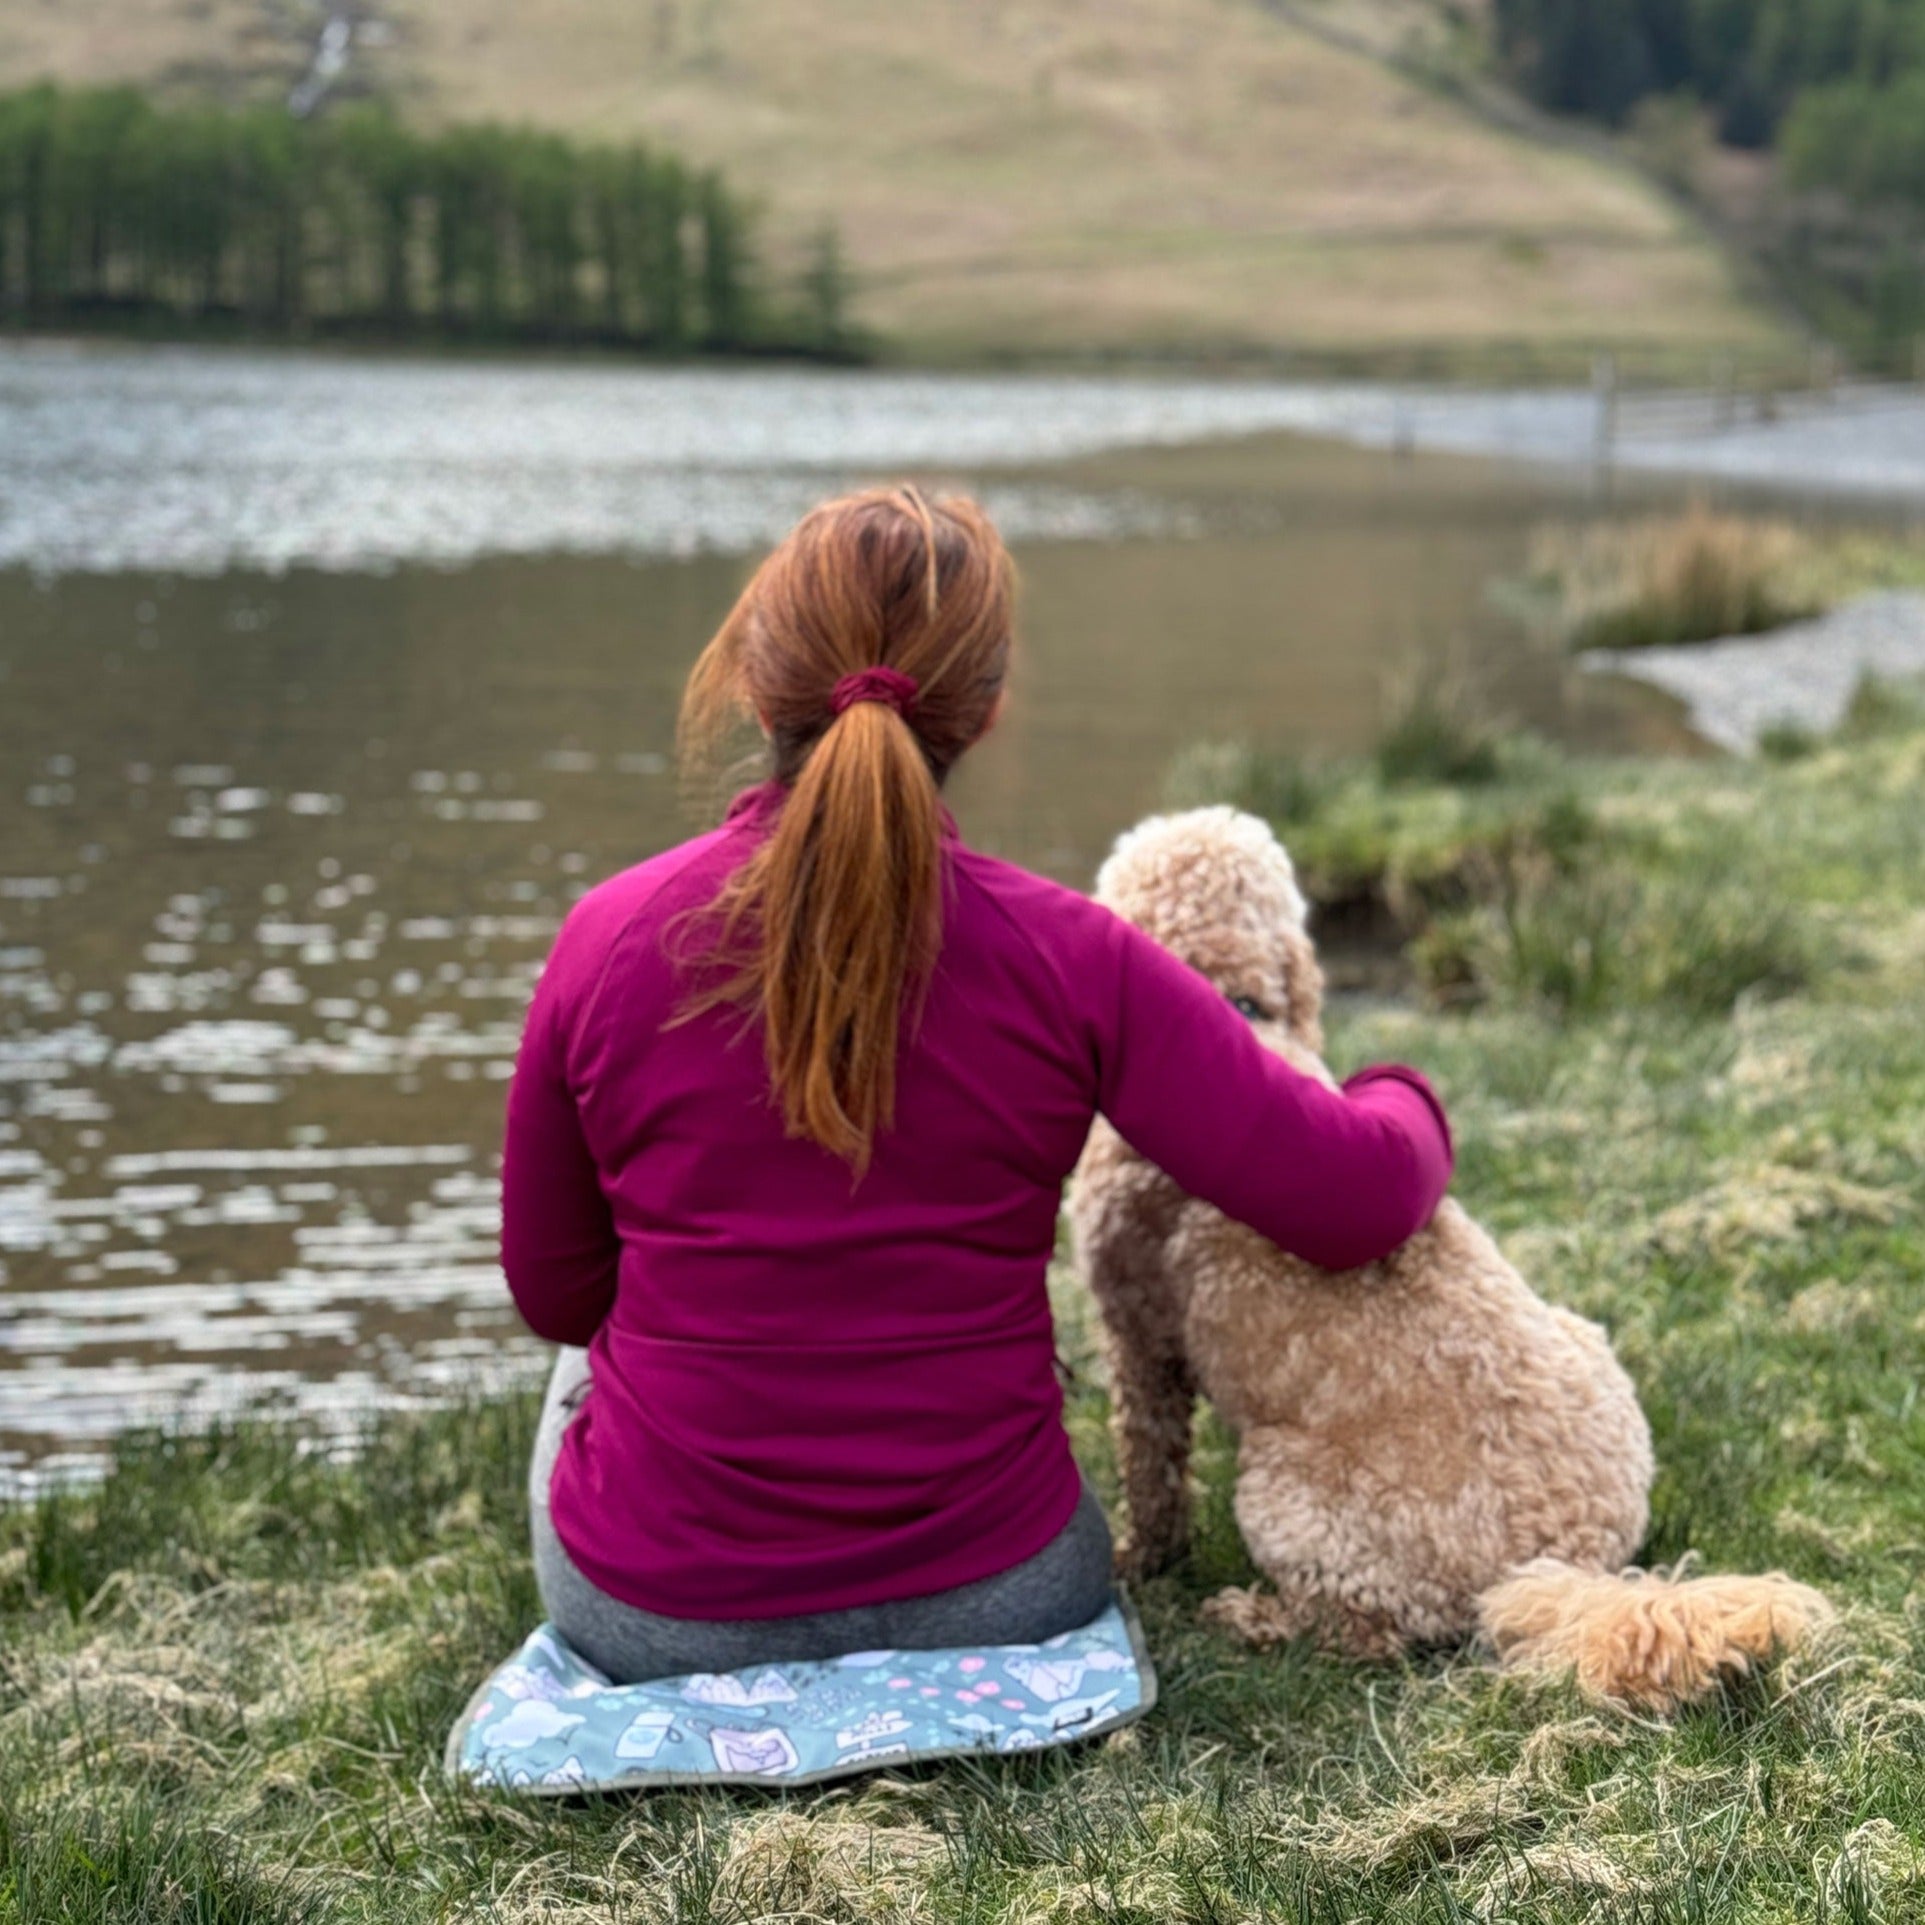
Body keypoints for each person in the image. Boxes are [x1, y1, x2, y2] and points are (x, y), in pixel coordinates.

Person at [501, 485, 1453, 1684]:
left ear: (755, 681)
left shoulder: (607, 935)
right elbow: (1356, 1198)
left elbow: (556, 1292)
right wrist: (1398, 1088)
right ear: (988, 707)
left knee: (582, 1356)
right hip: (997, 1595)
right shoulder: (1076, 958)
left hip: (655, 1613)